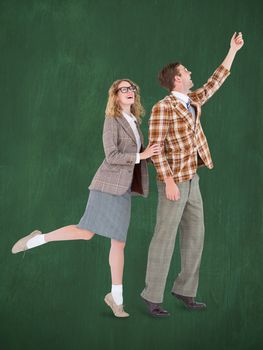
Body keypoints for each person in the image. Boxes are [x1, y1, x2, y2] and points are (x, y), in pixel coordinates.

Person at [12, 79, 161, 318]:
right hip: (106, 186)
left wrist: (151, 154)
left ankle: (116, 298)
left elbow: (137, 156)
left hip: (123, 190)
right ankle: (36, 240)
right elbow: (112, 155)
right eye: (124, 89)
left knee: (119, 242)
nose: (130, 91)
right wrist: (142, 154)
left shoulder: (134, 121)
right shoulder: (112, 120)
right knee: (85, 232)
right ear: (115, 95)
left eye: (132, 88)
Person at [141, 32, 244, 317]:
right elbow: (156, 148)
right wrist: (170, 181)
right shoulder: (163, 108)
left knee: (195, 235)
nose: (190, 74)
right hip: (173, 182)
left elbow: (215, 81)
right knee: (165, 236)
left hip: (193, 179)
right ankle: (152, 297)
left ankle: (185, 290)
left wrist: (232, 50)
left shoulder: (192, 100)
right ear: (176, 79)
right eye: (186, 72)